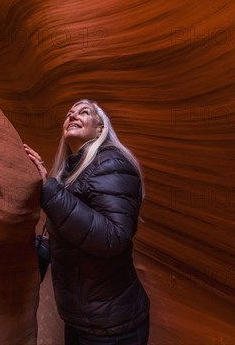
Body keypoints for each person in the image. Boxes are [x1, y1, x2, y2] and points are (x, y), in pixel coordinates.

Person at [24, 99, 150, 345]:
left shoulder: (112, 163)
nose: (73, 116)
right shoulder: (72, 173)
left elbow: (113, 237)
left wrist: (50, 189)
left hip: (114, 328)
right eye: (69, 114)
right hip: (83, 321)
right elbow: (68, 234)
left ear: (100, 129)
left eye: (84, 112)